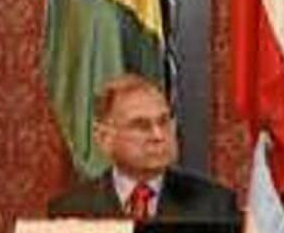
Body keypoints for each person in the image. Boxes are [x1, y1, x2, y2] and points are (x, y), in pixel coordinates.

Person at [48, 74, 240, 222]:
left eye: (164, 122)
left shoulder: (215, 205)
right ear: (104, 138)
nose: (158, 136)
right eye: (141, 125)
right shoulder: (70, 210)